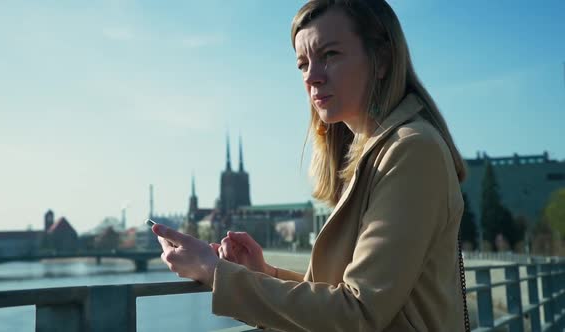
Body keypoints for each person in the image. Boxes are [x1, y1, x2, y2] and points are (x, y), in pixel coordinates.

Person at [151, 0, 470, 330]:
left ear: (383, 60)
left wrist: (213, 271)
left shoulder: (411, 150)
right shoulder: (373, 154)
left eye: (330, 55)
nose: (312, 77)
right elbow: (344, 294)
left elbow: (357, 313)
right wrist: (264, 274)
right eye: (303, 64)